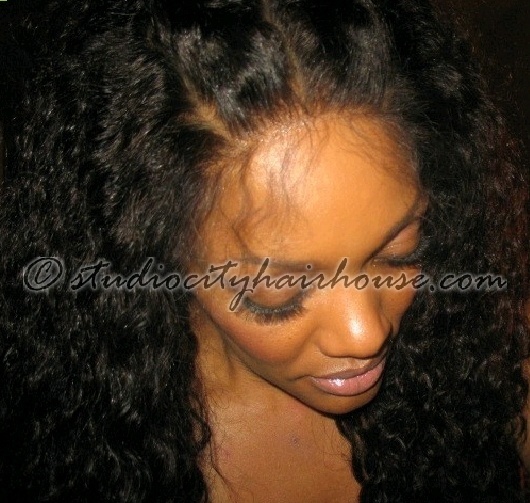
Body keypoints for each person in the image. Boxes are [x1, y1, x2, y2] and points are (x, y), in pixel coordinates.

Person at [0, 0, 528, 501]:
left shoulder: (493, 359)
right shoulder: (65, 446)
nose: (365, 333)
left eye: (399, 250)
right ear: (152, 251)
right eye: (278, 290)